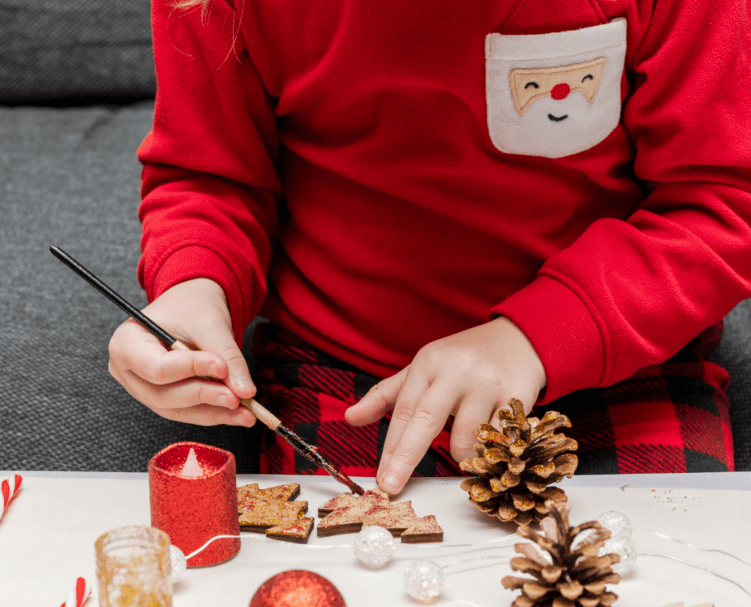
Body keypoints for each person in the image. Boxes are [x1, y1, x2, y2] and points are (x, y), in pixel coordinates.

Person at [108, 0, 751, 493]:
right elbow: (211, 176)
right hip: (346, 368)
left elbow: (724, 199)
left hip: (622, 362)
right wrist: (196, 283)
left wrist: (540, 336)